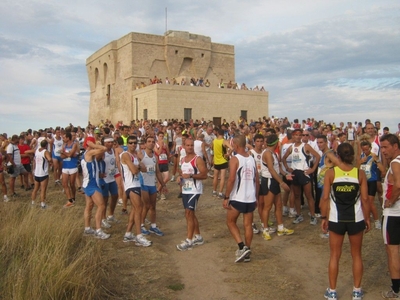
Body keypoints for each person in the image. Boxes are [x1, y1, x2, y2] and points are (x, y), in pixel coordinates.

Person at [320, 143, 370, 300]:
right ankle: (356, 291)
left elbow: (326, 197)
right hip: (356, 218)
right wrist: (368, 218)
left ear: (338, 155)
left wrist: (323, 217)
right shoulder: (359, 174)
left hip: (336, 219)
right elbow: (365, 199)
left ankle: (333, 291)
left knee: (335, 255)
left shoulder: (331, 173)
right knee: (356, 255)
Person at [223, 134, 259, 263]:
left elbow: (232, 178)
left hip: (238, 196)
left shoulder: (235, 159)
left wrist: (226, 196)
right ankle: (247, 252)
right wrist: (256, 196)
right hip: (250, 196)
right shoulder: (251, 158)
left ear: (236, 145)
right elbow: (256, 179)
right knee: (248, 225)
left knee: (230, 222)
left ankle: (241, 246)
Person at [282, 129, 320, 225]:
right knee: (297, 196)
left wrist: (312, 169)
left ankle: (312, 216)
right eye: (296, 135)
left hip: (304, 173)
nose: (298, 137)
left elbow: (318, 156)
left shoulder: (305, 146)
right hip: (295, 173)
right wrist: (287, 168)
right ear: (293, 136)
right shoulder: (291, 147)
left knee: (309, 196)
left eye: (300, 135)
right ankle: (299, 215)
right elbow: (283, 158)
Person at [176, 138, 208, 251]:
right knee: (189, 214)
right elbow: (181, 172)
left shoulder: (198, 159)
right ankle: (198, 236)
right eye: (188, 145)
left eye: (191, 145)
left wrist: (190, 176)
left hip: (195, 190)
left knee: (189, 213)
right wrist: (179, 178)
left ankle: (188, 240)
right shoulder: (183, 159)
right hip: (185, 190)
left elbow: (204, 175)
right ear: (183, 146)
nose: (190, 147)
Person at [120, 135, 152, 247]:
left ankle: (128, 233)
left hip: (137, 183)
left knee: (135, 209)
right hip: (130, 185)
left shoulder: (135, 155)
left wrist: (137, 167)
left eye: (134, 143)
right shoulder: (125, 155)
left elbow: (144, 168)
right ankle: (139, 235)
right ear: (127, 144)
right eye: (131, 143)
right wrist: (137, 167)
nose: (133, 145)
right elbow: (134, 170)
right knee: (139, 208)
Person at [260, 134, 293, 241]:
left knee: (278, 205)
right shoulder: (268, 154)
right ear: (275, 143)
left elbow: (277, 168)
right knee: (267, 206)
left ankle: (280, 227)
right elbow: (271, 169)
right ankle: (265, 229)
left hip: (274, 180)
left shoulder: (273, 153)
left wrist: (285, 174)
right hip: (269, 180)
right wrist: (282, 183)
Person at [379, 134, 400, 299]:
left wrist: (390, 201)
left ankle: (396, 290)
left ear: (395, 146)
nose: (383, 150)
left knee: (393, 251)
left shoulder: (395, 163)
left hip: (393, 214)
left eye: (386, 147)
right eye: (381, 147)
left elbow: (399, 185)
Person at [138, 135, 167, 237]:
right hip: (143, 184)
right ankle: (141, 226)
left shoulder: (155, 157)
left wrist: (163, 185)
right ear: (145, 143)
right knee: (145, 205)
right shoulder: (141, 155)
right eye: (149, 141)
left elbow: (158, 172)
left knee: (153, 206)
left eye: (152, 141)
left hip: (152, 184)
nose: (151, 143)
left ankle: (153, 226)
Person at [81, 138, 110, 239]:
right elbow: (104, 148)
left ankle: (87, 228)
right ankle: (98, 230)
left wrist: (99, 174)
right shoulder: (89, 153)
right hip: (92, 185)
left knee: (89, 206)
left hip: (87, 183)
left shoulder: (88, 155)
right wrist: (95, 145)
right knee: (101, 205)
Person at [358, 140, 385, 229]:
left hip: (372, 181)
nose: (365, 151)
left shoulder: (373, 156)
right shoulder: (361, 156)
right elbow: (356, 168)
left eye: (367, 149)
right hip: (363, 182)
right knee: (363, 201)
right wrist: (360, 162)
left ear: (370, 148)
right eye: (363, 150)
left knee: (370, 202)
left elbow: (382, 169)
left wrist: (376, 160)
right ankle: (366, 219)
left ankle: (377, 221)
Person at [30, 139, 52, 208]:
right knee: (43, 189)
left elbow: (30, 151)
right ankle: (43, 204)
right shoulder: (45, 152)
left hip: (37, 173)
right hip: (43, 173)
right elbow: (49, 159)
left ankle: (33, 203)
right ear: (46, 145)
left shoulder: (36, 151)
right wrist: (50, 161)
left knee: (35, 189)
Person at [60, 132, 79, 207]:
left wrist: (66, 154)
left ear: (68, 138)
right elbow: (62, 156)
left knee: (72, 184)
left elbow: (70, 155)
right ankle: (69, 200)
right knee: (64, 184)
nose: (63, 139)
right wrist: (67, 154)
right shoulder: (64, 145)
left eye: (64, 137)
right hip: (65, 166)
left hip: (72, 166)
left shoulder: (74, 145)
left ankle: (73, 197)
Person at [211, 129, 230, 198]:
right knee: (222, 177)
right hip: (223, 161)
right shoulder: (224, 141)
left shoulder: (214, 141)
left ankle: (214, 191)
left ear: (218, 133)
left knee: (215, 177)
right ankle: (220, 193)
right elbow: (232, 148)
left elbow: (212, 148)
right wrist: (228, 154)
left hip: (216, 161)